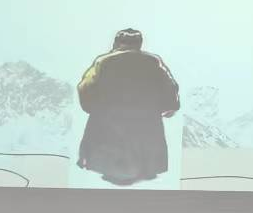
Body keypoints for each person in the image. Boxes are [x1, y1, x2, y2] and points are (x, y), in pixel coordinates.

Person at [76, 29, 180, 186]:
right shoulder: (153, 61)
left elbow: (85, 87)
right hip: (145, 116)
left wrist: (92, 108)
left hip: (109, 116)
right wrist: (170, 106)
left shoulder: (103, 61)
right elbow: (170, 86)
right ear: (139, 43)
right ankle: (145, 170)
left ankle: (109, 169)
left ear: (117, 42)